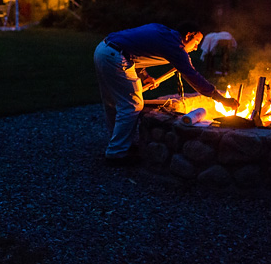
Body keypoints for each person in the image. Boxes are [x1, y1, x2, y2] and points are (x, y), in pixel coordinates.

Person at [93, 22, 238, 166]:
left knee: (113, 103)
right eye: (197, 42)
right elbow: (193, 77)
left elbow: (133, 49)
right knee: (132, 105)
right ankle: (117, 153)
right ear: (188, 36)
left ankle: (118, 144)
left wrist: (145, 76)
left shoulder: (162, 32)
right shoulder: (175, 46)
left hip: (104, 50)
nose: (196, 48)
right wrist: (220, 98)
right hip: (115, 57)